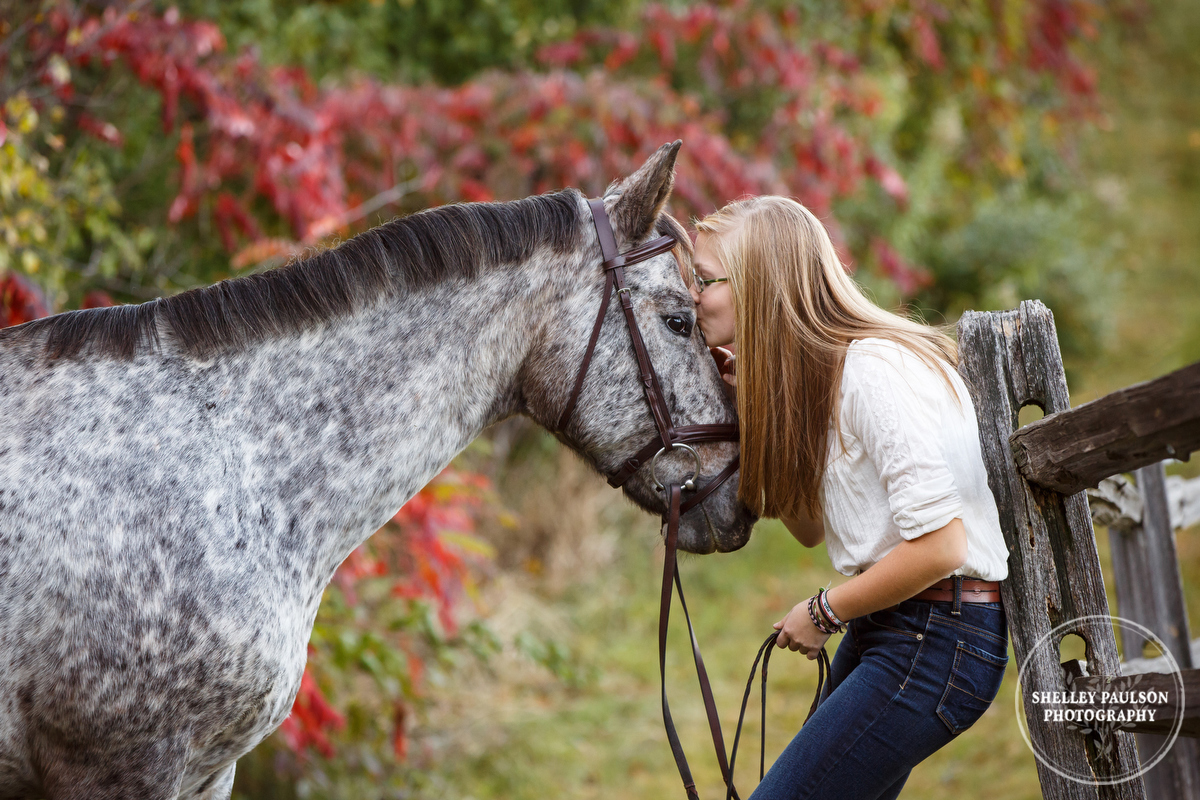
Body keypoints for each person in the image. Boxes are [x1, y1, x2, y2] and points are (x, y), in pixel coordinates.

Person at [685, 196, 1011, 800]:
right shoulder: (827, 378)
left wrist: (823, 611)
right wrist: (752, 408)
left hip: (939, 633)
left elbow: (942, 546)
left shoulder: (874, 369)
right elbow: (808, 528)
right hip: (896, 628)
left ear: (760, 285)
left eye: (705, 280)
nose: (693, 296)